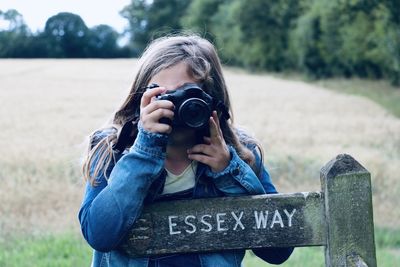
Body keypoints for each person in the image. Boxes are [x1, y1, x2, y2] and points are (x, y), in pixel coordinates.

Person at [78, 35, 293, 267]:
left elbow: (278, 250)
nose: (172, 106)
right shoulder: (111, 150)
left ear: (213, 100)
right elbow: (99, 234)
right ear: (141, 99)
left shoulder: (241, 154)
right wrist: (144, 150)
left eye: (187, 94)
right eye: (161, 96)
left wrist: (229, 171)